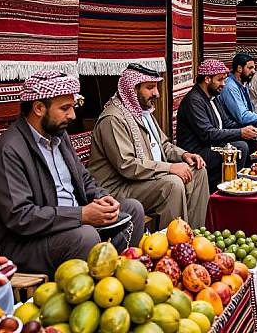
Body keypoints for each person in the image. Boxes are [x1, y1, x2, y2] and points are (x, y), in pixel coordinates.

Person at [0, 71, 144, 278]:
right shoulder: (10, 149)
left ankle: (120, 281)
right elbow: (21, 217)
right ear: (39, 108)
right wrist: (81, 216)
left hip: (73, 224)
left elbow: (83, 178)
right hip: (29, 243)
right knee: (85, 237)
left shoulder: (59, 135)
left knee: (133, 211)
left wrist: (101, 197)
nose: (73, 116)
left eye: (72, 107)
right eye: (65, 108)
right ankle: (91, 293)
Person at [89, 64, 209, 229]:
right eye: (150, 87)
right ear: (132, 88)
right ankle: (173, 245)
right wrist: (170, 167)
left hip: (145, 178)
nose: (157, 93)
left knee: (198, 170)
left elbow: (164, 145)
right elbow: (127, 165)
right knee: (172, 185)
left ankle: (195, 234)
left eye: (156, 87)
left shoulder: (144, 113)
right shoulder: (113, 119)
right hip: (118, 187)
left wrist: (184, 155)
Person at [177, 60, 257, 193]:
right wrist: (239, 133)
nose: (223, 84)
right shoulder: (194, 100)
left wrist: (248, 129)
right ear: (207, 79)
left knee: (252, 143)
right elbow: (207, 134)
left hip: (213, 144)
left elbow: (225, 123)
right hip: (198, 150)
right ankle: (225, 189)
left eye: (224, 80)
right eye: (220, 80)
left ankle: (242, 182)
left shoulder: (214, 96)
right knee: (239, 147)